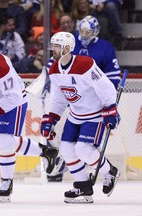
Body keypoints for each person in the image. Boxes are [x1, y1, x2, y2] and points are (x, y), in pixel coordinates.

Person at [0, 31, 59, 203]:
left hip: (13, 102)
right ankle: (46, 151)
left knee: (4, 141)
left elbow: (13, 97)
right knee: (4, 142)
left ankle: (7, 181)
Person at [41, 31, 121, 203]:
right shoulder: (54, 69)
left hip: (94, 115)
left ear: (67, 48)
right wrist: (51, 118)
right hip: (75, 115)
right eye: (52, 45)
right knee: (67, 150)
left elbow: (106, 87)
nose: (52, 49)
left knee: (83, 150)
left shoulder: (85, 64)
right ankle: (83, 186)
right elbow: (58, 98)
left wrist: (110, 109)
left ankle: (110, 171)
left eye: (56, 46)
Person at [73, 15, 121, 88]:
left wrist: (108, 90)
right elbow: (54, 64)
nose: (84, 35)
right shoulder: (70, 42)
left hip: (95, 91)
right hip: (72, 89)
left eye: (88, 32)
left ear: (95, 31)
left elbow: (113, 74)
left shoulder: (106, 47)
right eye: (82, 31)